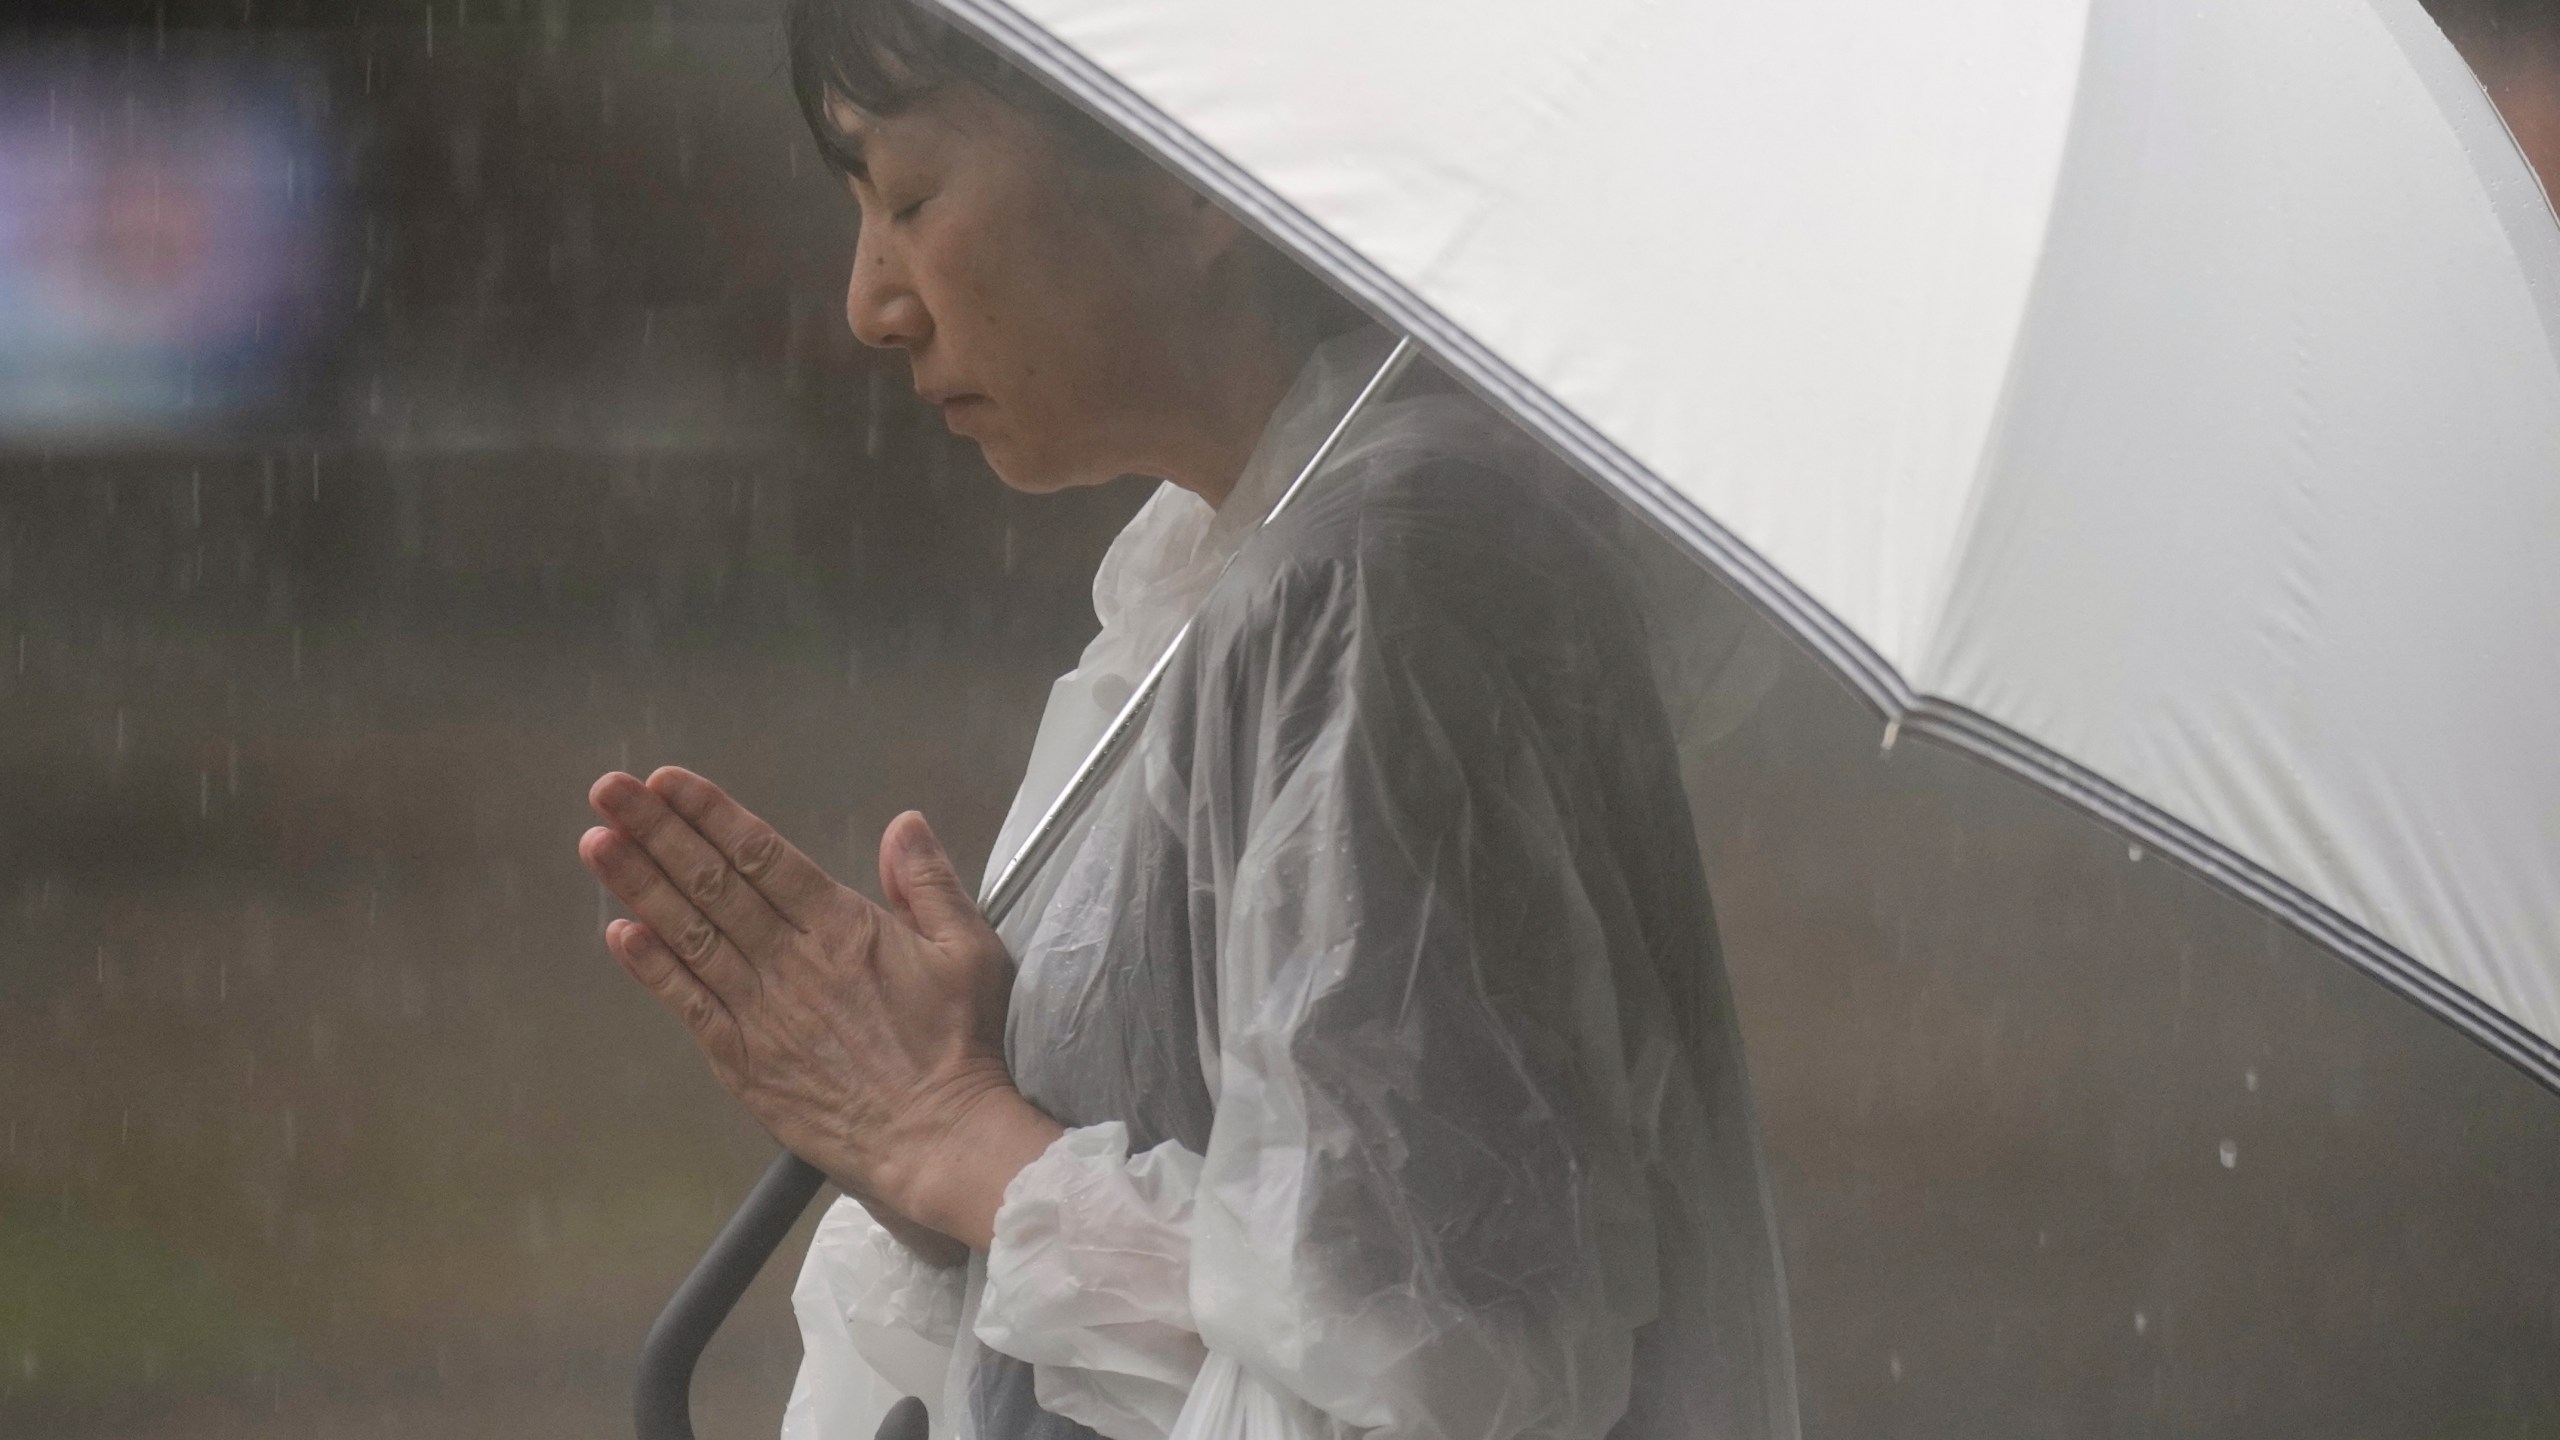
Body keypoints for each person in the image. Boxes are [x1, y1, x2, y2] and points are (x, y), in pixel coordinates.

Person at [575, 3, 1799, 1439]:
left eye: (908, 197)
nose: (870, 302)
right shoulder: (1226, 571)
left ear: (1187, 166)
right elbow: (1289, 1267)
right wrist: (955, 1103)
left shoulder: (1378, 591)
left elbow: (1416, 1380)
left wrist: (961, 1139)